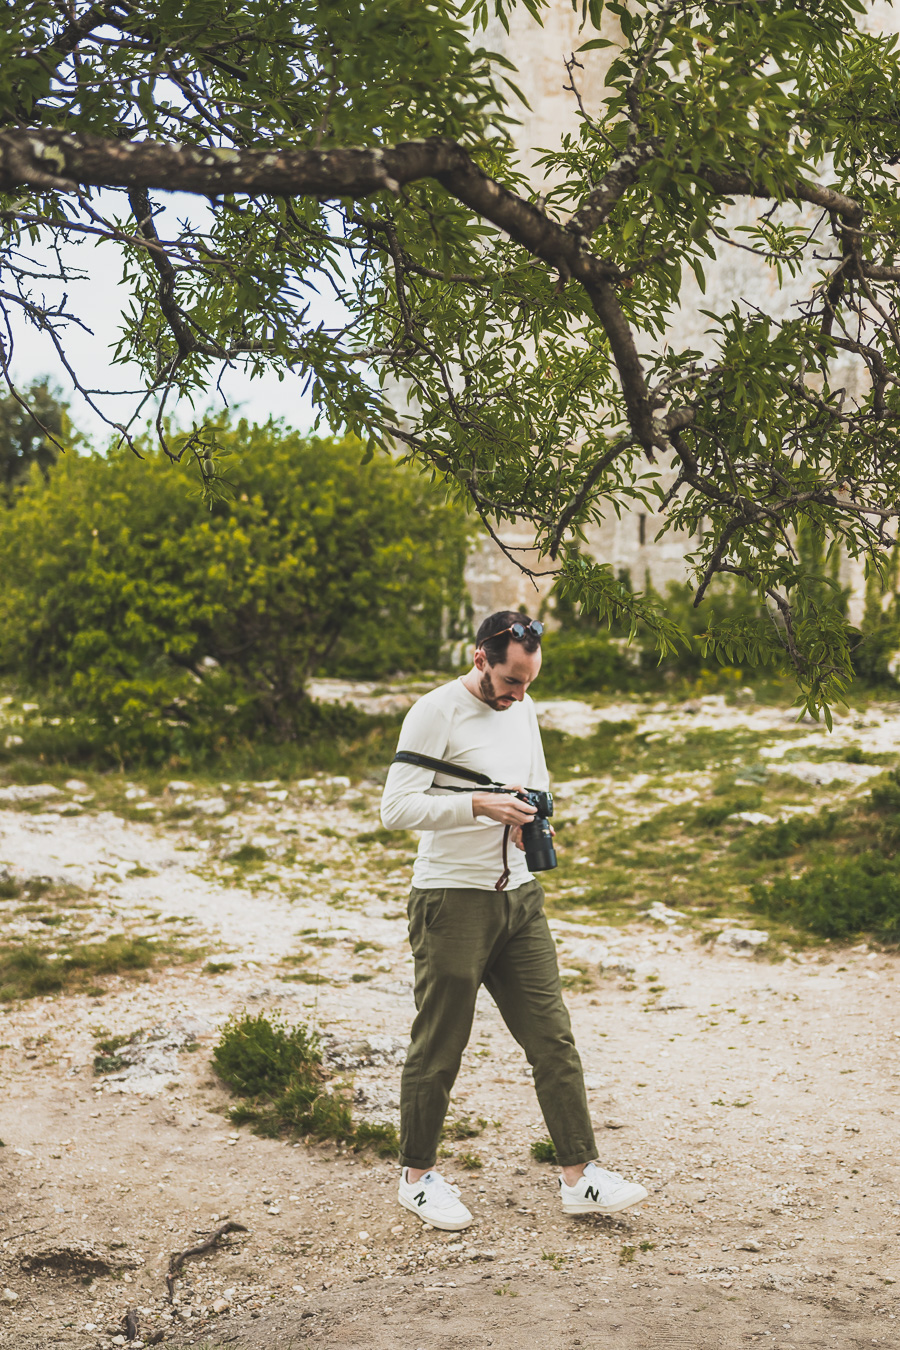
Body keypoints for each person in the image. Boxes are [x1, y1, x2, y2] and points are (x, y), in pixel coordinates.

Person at [380, 610, 649, 1232]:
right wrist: (478, 804)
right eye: (510, 682)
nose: (519, 695)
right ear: (481, 658)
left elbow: (536, 779)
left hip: (519, 899)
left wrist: (535, 820)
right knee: (441, 1044)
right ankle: (416, 1179)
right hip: (452, 899)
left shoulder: (523, 707)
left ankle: (579, 1178)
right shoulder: (434, 711)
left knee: (553, 1039)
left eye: (528, 683)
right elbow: (395, 808)